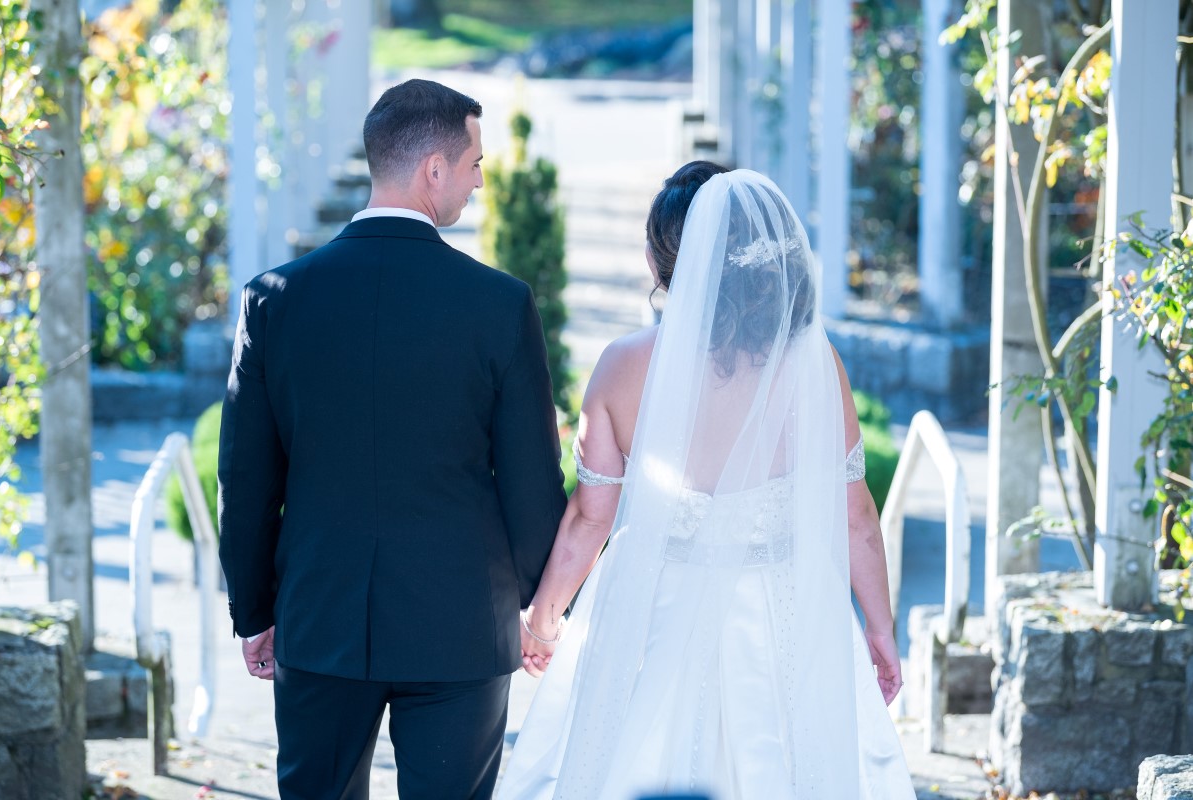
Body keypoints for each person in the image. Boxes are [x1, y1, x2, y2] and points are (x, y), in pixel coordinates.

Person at [498, 163, 915, 799]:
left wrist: (546, 617)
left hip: (656, 613)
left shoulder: (624, 367)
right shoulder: (814, 363)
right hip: (787, 615)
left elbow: (591, 516)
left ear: (658, 260)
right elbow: (854, 515)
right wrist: (881, 631)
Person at [217, 79, 567, 800]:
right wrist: (543, 604)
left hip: (321, 619)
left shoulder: (274, 300)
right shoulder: (500, 305)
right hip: (463, 625)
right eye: (473, 164)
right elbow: (533, 482)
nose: (477, 181)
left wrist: (254, 611)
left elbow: (246, 480)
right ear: (432, 170)